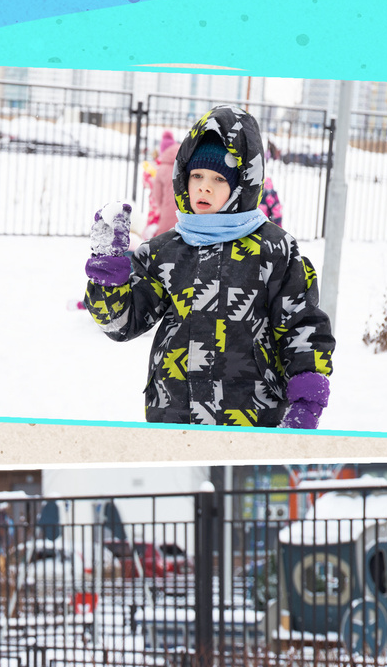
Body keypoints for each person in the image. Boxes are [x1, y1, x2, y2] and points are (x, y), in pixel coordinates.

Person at [84, 105, 334, 428]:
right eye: (197, 176)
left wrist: (306, 402)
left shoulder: (274, 250)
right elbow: (122, 323)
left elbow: (302, 325)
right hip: (175, 414)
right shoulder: (166, 250)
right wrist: (108, 273)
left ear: (242, 184)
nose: (204, 187)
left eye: (218, 178)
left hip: (252, 418)